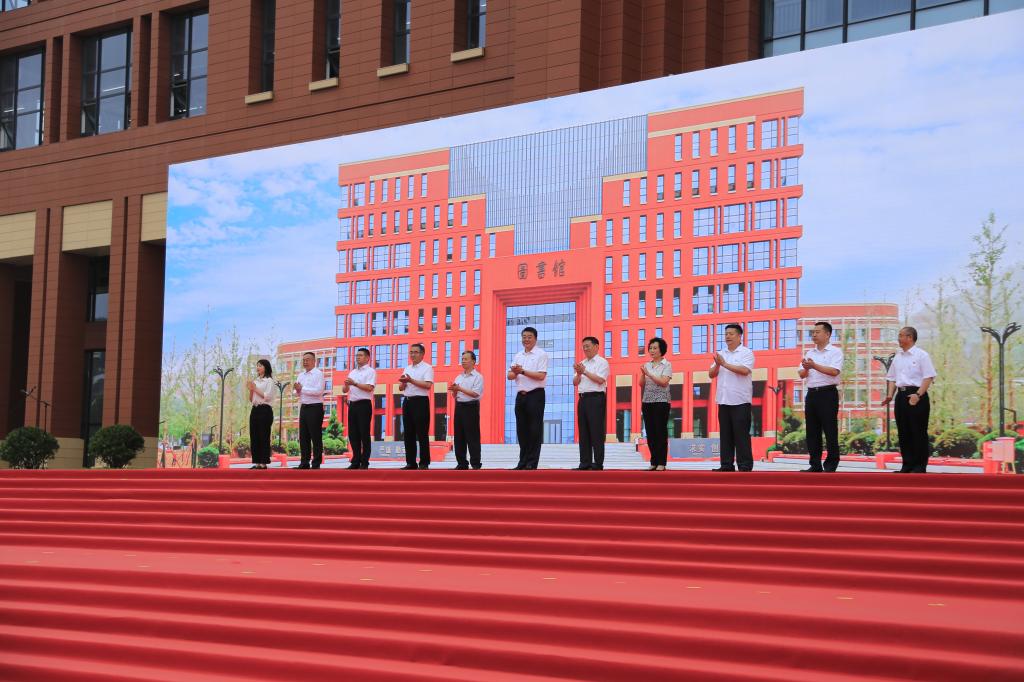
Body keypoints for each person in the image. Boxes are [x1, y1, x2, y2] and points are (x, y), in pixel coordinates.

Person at [881, 326, 936, 473]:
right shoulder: (898, 357)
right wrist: (890, 395)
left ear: (910, 337)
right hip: (901, 396)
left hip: (917, 395)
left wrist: (918, 395)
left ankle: (919, 466)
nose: (898, 338)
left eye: (901, 335)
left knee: (918, 431)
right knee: (903, 432)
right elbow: (892, 378)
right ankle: (907, 465)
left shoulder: (921, 355)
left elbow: (928, 377)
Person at [799, 321, 844, 472]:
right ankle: (815, 464)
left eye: (817, 332)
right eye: (813, 332)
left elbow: (834, 371)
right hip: (812, 394)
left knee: (830, 430)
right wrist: (806, 368)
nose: (814, 335)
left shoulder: (835, 352)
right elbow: (802, 374)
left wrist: (814, 366)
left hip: (828, 394)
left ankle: (831, 464)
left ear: (827, 334)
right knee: (812, 431)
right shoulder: (809, 353)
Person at [709, 323, 755, 472]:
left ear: (739, 336)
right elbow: (711, 374)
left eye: (731, 334)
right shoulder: (721, 353)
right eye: (726, 334)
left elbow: (745, 370)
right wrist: (718, 364)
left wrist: (724, 364)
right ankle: (726, 465)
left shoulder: (746, 353)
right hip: (723, 400)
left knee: (741, 435)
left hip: (740, 401)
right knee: (725, 435)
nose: (727, 336)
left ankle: (745, 465)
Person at [508, 326, 548, 470]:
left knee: (534, 430)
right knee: (522, 430)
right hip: (521, 396)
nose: (526, 339)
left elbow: (541, 376)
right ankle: (522, 461)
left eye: (529, 337)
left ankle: (532, 462)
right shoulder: (518, 355)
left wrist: (522, 371)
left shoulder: (541, 354)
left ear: (535, 339)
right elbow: (510, 375)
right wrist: (516, 372)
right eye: (524, 337)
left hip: (535, 395)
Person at [573, 336, 610, 470]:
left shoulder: (602, 362)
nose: (585, 348)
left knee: (596, 431)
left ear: (596, 346)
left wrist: (584, 371)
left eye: (587, 346)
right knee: (583, 432)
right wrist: (579, 373)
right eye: (583, 346)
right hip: (582, 399)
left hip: (596, 398)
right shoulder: (582, 363)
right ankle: (585, 462)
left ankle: (598, 463)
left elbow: (600, 380)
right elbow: (575, 383)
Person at [640, 337, 673, 471]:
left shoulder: (667, 365)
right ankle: (653, 461)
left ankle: (661, 462)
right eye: (650, 348)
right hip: (647, 401)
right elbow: (641, 384)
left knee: (660, 432)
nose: (652, 350)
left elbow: (664, 382)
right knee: (650, 432)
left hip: (661, 401)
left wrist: (649, 374)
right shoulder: (647, 365)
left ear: (661, 350)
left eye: (655, 348)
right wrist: (643, 374)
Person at [399, 343, 434, 469]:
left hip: (420, 402)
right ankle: (411, 462)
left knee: (422, 433)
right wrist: (403, 383)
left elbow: (428, 385)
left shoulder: (427, 368)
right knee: (408, 433)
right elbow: (401, 388)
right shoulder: (407, 368)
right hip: (407, 401)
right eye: (411, 352)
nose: (412, 354)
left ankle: (424, 462)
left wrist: (411, 380)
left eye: (415, 352)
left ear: (422, 354)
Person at [450, 350, 484, 469]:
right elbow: (455, 395)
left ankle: (475, 463)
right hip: (459, 406)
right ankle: (461, 463)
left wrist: (459, 388)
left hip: (471, 407)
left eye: (466, 359)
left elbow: (475, 393)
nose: (463, 361)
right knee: (459, 436)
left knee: (472, 436)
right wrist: (454, 390)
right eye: (462, 359)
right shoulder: (458, 377)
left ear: (473, 361)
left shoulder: (478, 377)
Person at [343, 347, 376, 469]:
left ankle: (365, 461)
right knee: (353, 434)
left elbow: (369, 388)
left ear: (367, 358)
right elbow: (344, 390)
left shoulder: (370, 371)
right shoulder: (352, 372)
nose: (357, 357)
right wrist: (346, 385)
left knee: (364, 433)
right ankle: (355, 460)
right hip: (352, 404)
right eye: (357, 355)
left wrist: (355, 383)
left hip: (364, 404)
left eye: (360, 355)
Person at [293, 351, 325, 469]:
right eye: (304, 360)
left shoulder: (318, 374)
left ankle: (316, 463)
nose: (305, 362)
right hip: (304, 407)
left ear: (314, 361)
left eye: (307, 360)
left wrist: (302, 389)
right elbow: (296, 392)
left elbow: (318, 391)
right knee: (303, 436)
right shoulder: (301, 375)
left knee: (315, 436)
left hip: (315, 407)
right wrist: (297, 390)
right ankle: (304, 462)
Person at [246, 359, 275, 469]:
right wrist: (251, 389)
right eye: (257, 365)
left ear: (266, 367)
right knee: (254, 436)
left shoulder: (269, 381)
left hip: (265, 410)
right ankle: (257, 462)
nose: (258, 367)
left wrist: (255, 388)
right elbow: (251, 399)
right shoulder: (256, 381)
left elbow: (268, 396)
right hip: (255, 409)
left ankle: (263, 462)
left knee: (263, 435)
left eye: (260, 366)